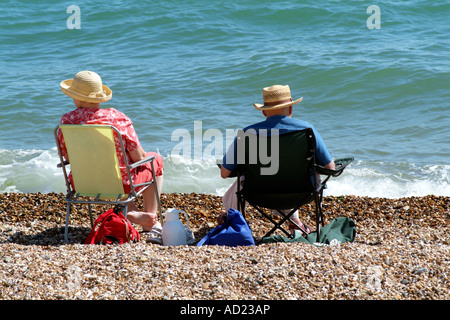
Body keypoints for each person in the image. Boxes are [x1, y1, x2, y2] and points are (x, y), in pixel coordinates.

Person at [220, 84, 335, 234]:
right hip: (302, 192)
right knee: (294, 171)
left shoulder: (247, 134)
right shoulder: (307, 130)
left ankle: (232, 222)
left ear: (263, 112)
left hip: (258, 193)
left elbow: (224, 173)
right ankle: (295, 223)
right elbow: (330, 168)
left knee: (251, 176)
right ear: (291, 108)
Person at [57, 70, 163, 233]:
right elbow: (139, 157)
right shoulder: (117, 119)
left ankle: (132, 212)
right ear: (99, 97)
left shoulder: (66, 122)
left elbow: (68, 157)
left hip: (82, 182)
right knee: (154, 159)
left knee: (108, 169)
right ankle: (150, 221)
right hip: (118, 183)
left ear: (77, 97)